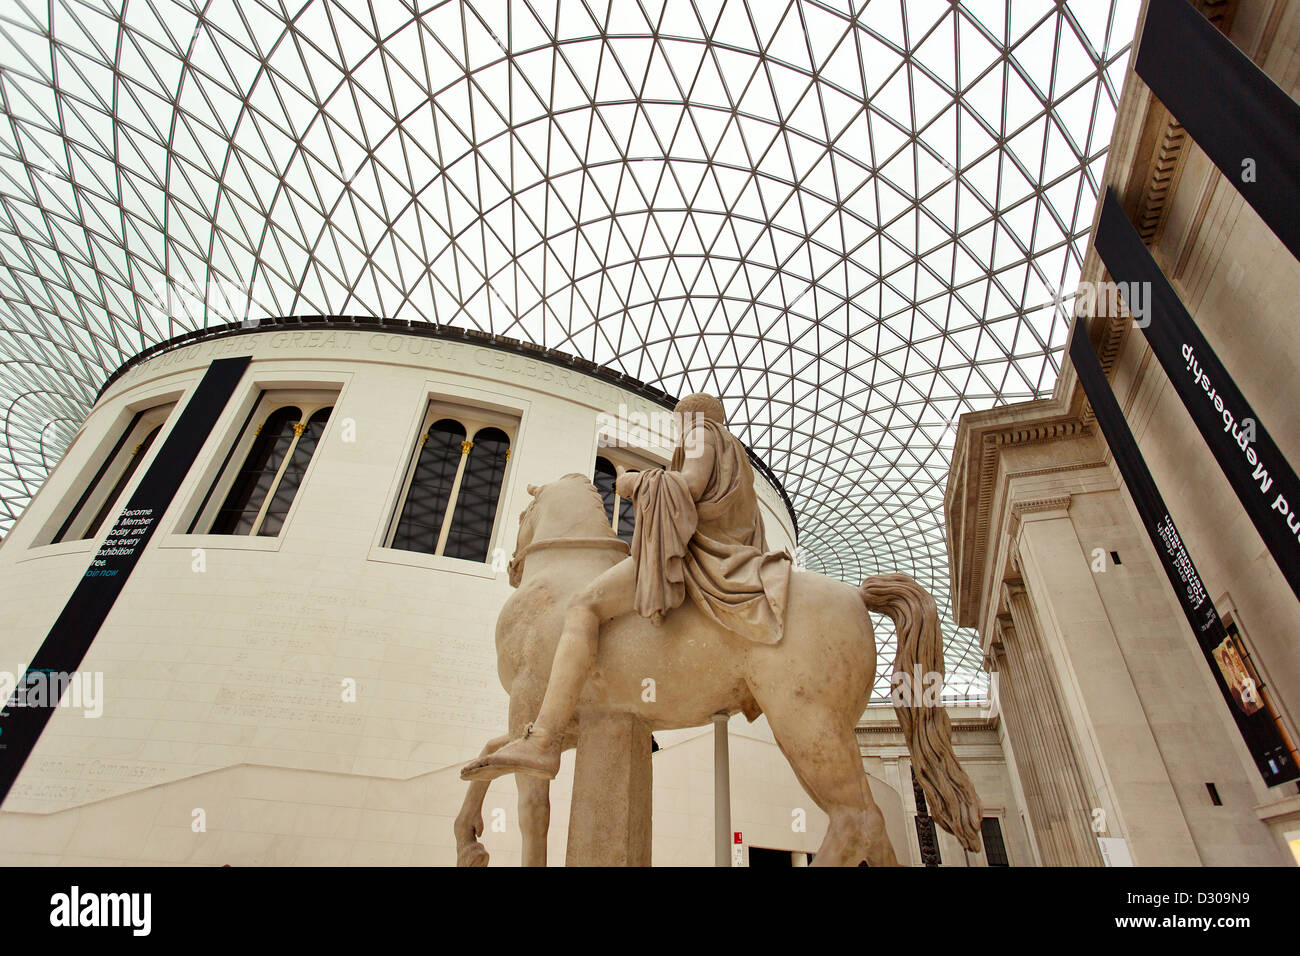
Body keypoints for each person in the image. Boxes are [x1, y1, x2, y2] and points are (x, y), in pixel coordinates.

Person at [460, 392, 790, 781]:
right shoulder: (737, 455)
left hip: (702, 558)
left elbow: (691, 484)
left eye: (677, 424)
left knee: (584, 605)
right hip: (735, 555)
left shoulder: (702, 433)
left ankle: (544, 738)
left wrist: (638, 482)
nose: (679, 432)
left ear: (688, 419)